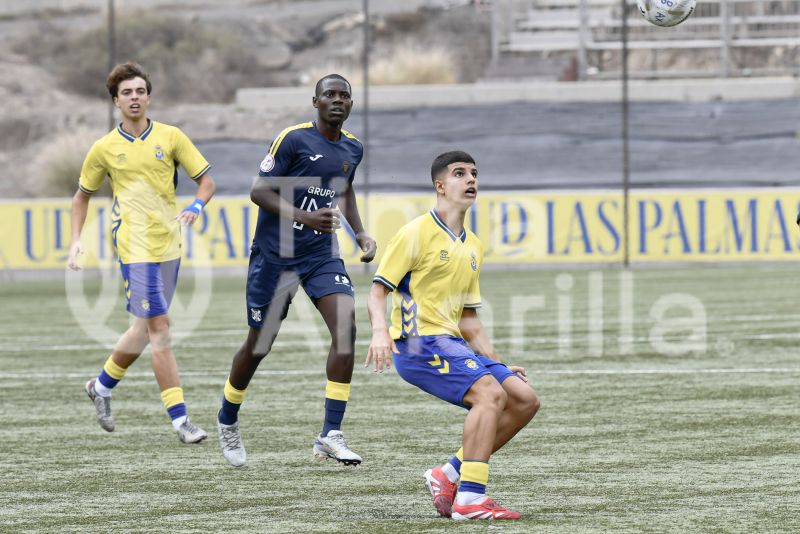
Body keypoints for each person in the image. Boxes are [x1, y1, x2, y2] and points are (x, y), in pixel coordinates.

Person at [365, 151, 540, 520]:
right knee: (490, 395)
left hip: (451, 342)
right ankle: (471, 499)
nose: (470, 179)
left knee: (523, 399)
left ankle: (447, 475)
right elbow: (378, 290)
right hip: (417, 344)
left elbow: (469, 319)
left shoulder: (473, 245)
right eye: (460, 173)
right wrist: (380, 333)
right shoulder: (415, 232)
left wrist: (498, 361)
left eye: (474, 173)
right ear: (440, 186)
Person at [216, 74, 376, 467]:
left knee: (345, 327)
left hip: (320, 254)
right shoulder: (293, 139)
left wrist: (360, 233)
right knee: (259, 345)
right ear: (315, 102)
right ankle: (227, 418)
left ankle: (330, 434)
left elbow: (344, 189)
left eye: (344, 96)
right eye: (329, 95)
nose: (337, 100)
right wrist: (306, 214)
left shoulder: (353, 147)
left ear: (351, 104)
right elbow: (258, 191)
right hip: (275, 257)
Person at [68, 61, 216, 444]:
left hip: (169, 242)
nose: (134, 98)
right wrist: (76, 240)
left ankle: (100, 387)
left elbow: (207, 183)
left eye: (139, 91)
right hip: (133, 246)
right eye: (126, 93)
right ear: (116, 101)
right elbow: (81, 197)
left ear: (148, 96)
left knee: (141, 329)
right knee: (160, 328)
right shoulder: (104, 148)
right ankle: (181, 420)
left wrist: (196, 207)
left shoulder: (171, 137)